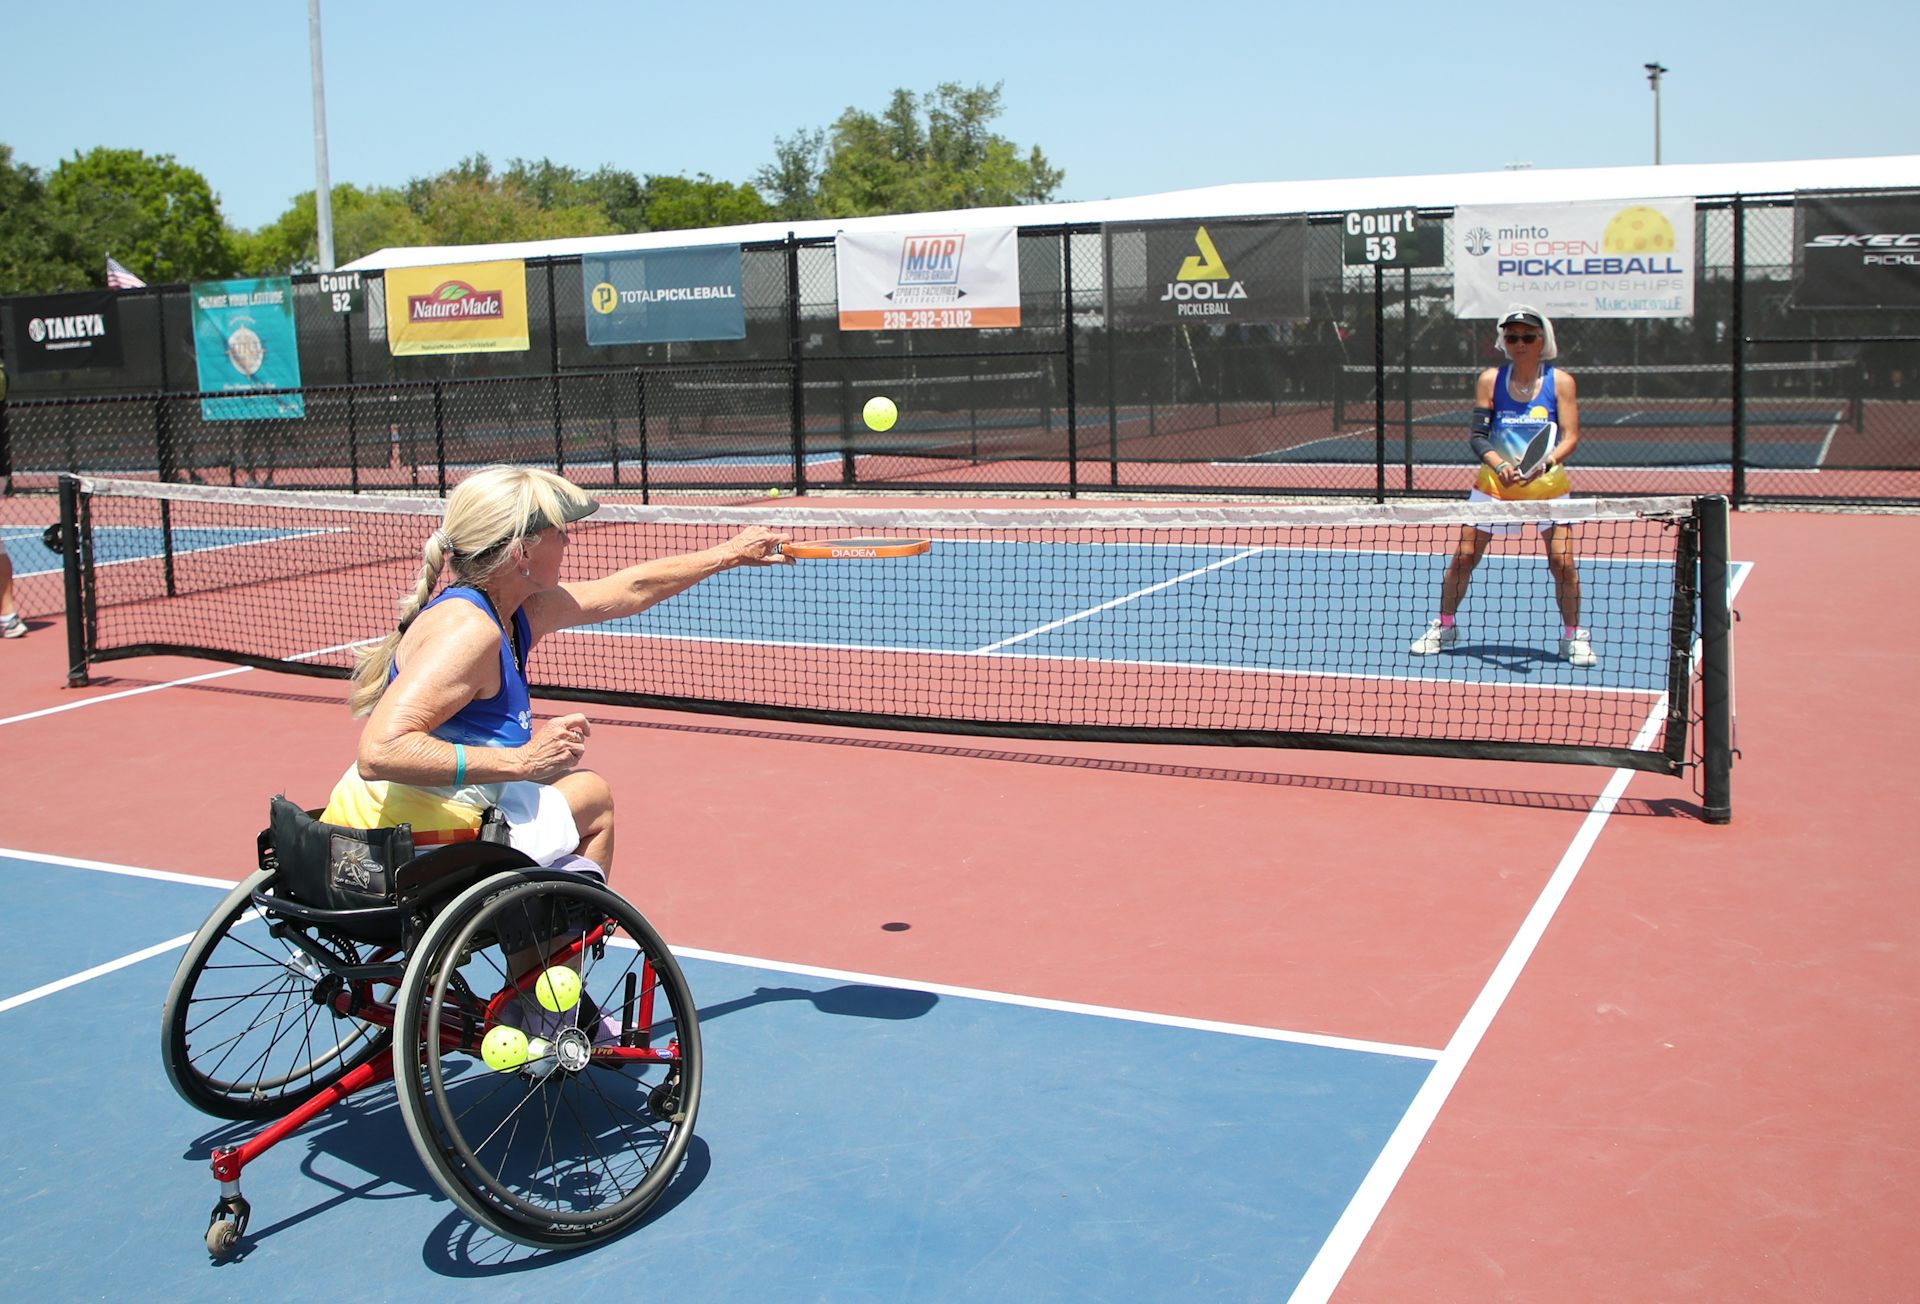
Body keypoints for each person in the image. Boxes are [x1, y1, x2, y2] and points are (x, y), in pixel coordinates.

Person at [320, 465, 791, 877]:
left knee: (555, 787)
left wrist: (731, 553)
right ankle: (549, 969)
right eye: (559, 531)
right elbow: (380, 751)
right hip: (416, 844)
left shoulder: (518, 610)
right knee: (592, 794)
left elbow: (631, 589)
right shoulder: (469, 632)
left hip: (408, 819)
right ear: (522, 551)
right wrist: (522, 761)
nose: (569, 539)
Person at [1409, 305, 1595, 668]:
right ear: (1503, 341)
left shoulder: (1561, 382)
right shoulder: (1490, 380)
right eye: (1512, 336)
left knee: (1563, 563)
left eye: (1528, 336)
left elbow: (1571, 437)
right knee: (1463, 558)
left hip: (1549, 489)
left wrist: (1545, 464)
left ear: (1543, 340)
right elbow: (1479, 436)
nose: (1520, 342)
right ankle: (1444, 627)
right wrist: (1501, 464)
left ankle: (1573, 635)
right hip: (1494, 487)